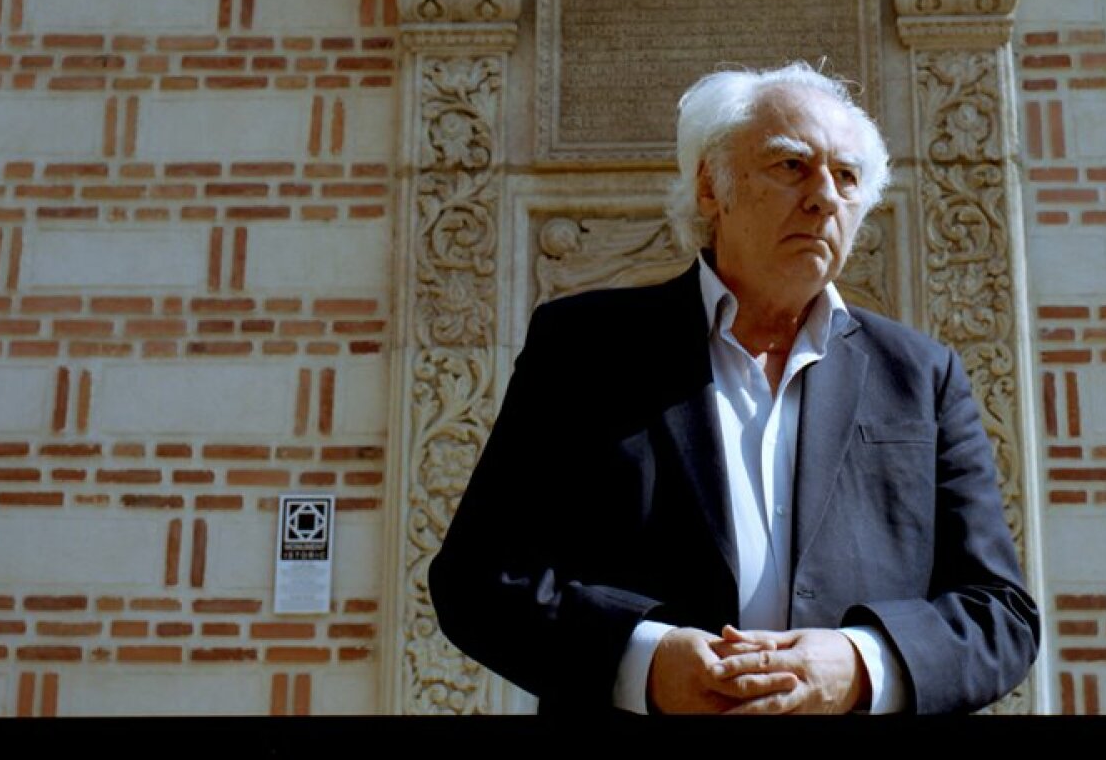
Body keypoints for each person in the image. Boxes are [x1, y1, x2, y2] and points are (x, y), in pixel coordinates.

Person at [430, 62, 1039, 714]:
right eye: (791, 165)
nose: (824, 197)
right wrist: (644, 660)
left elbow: (1000, 615)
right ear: (709, 187)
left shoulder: (920, 375)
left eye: (846, 176)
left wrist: (863, 664)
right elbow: (479, 579)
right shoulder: (584, 350)